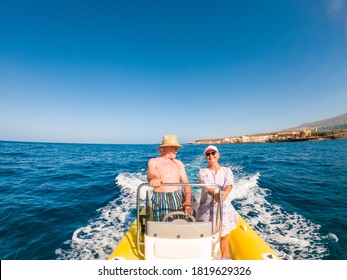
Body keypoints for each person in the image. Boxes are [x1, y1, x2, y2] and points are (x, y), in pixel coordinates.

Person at [197, 145, 238, 259]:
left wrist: (225, 193)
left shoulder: (227, 170)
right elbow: (206, 185)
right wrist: (215, 194)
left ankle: (222, 257)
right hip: (206, 209)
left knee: (224, 235)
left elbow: (229, 183)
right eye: (208, 154)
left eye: (213, 153)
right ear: (206, 157)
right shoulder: (202, 171)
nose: (211, 156)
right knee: (204, 234)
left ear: (218, 155)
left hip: (224, 208)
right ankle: (204, 257)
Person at [147, 134, 192, 221]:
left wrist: (187, 202)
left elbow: (186, 184)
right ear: (166, 148)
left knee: (180, 221)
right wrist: (153, 178)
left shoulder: (179, 163)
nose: (177, 150)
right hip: (161, 198)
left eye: (177, 148)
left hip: (178, 196)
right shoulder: (154, 161)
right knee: (163, 222)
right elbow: (150, 174)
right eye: (174, 147)